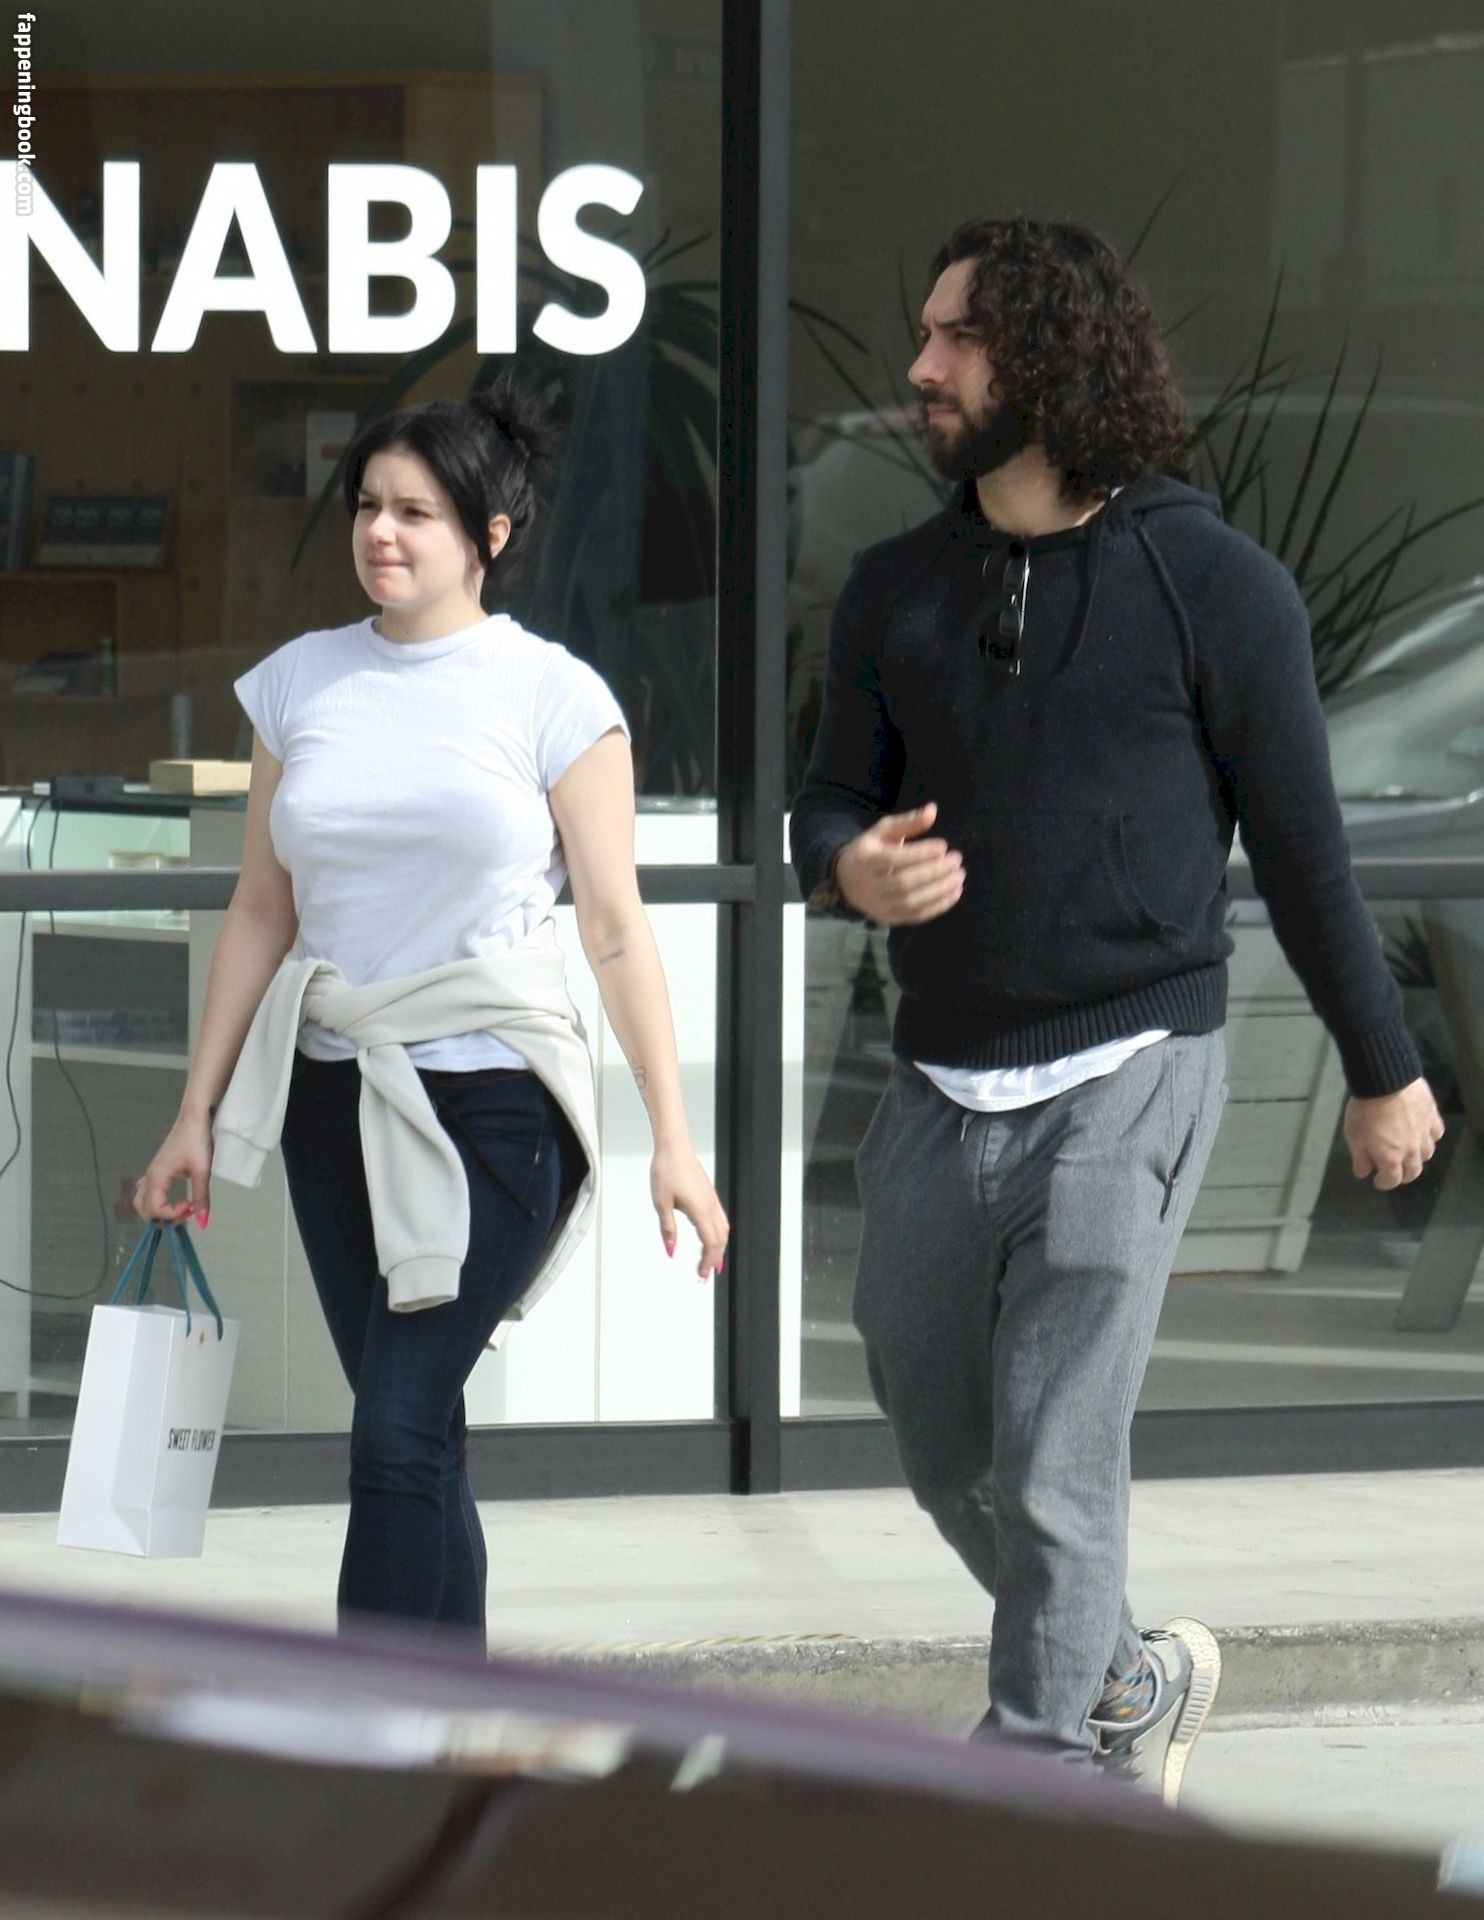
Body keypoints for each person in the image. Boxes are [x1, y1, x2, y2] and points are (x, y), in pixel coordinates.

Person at [789, 215, 1443, 1804]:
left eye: (957, 338)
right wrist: (848, 869)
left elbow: (1304, 851)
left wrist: (1384, 1069)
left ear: (1048, 360)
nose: (922, 366)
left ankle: (1039, 1784)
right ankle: (1127, 1678)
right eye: (927, 334)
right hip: (940, 1083)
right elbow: (826, 802)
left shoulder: (1214, 585)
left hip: (1133, 1062)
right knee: (945, 1445)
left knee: (1056, 1453)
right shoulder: (896, 589)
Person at [135, 380, 729, 1644]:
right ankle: (454, 1716)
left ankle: (378, 1727)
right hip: (331, 1091)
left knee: (395, 1426)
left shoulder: (556, 697)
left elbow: (613, 928)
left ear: (489, 535)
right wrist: (195, 1111)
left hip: (496, 1099)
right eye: (367, 505)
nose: (380, 533)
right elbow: (260, 910)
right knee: (418, 1429)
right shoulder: (300, 682)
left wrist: (673, 1142)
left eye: (415, 512)